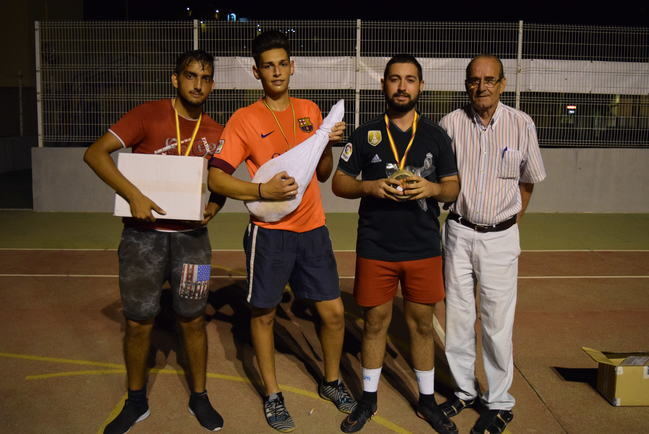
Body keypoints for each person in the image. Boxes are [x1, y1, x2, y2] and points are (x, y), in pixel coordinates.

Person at [208, 30, 355, 432]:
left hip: (313, 229)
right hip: (269, 234)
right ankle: (273, 395)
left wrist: (326, 142)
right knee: (264, 314)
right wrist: (260, 190)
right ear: (256, 72)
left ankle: (331, 381)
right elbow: (216, 180)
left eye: (282, 64)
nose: (276, 72)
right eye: (267, 66)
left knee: (334, 313)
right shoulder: (244, 119)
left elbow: (322, 175)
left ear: (293, 66)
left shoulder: (310, 109)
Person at [84, 50, 225, 433]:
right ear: (175, 79)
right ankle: (136, 400)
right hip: (142, 240)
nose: (198, 83)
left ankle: (199, 396)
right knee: (139, 322)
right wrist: (134, 196)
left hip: (193, 240)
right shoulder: (147, 114)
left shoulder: (214, 130)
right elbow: (95, 154)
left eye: (206, 77)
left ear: (212, 84)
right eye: (191, 75)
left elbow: (218, 181)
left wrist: (214, 204)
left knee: (193, 319)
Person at [332, 54, 460, 434]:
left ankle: (426, 400)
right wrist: (369, 186)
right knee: (374, 323)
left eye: (410, 80)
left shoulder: (436, 135)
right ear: (383, 85)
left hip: (422, 247)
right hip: (376, 247)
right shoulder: (366, 134)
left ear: (420, 87)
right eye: (394, 79)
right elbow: (339, 183)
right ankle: (368, 399)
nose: (402, 86)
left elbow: (452, 187)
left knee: (421, 325)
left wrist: (434, 187)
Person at [438, 54, 546, 434]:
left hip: (501, 237)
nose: (480, 87)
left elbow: (528, 180)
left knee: (497, 324)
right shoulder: (450, 123)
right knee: (459, 319)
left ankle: (499, 401)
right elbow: (440, 176)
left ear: (502, 83)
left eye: (489, 79)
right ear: (465, 84)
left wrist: (508, 223)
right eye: (473, 80)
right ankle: (464, 391)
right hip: (458, 232)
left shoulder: (521, 124)